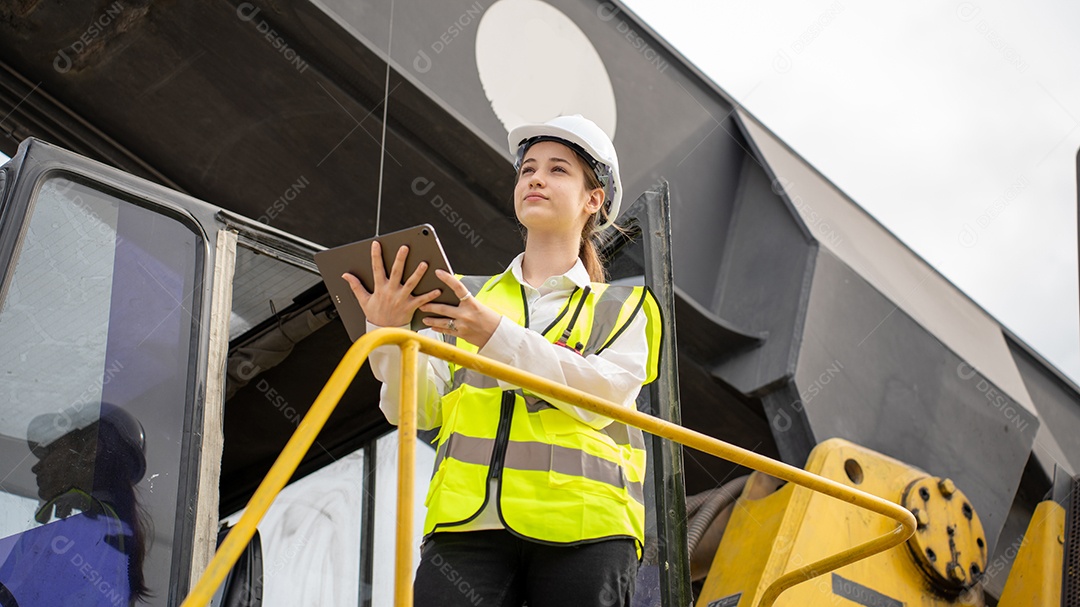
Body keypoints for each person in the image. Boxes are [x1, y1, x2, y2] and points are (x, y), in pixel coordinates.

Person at [343, 114, 662, 607]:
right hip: (466, 527)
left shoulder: (624, 306)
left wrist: (495, 336)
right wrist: (386, 333)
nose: (535, 177)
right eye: (527, 169)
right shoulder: (466, 298)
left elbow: (605, 399)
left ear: (592, 200)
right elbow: (418, 411)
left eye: (558, 170)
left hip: (585, 527)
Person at [0, 403, 151, 606]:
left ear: (90, 450)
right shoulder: (109, 531)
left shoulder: (80, 527)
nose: (36, 467)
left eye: (50, 449)